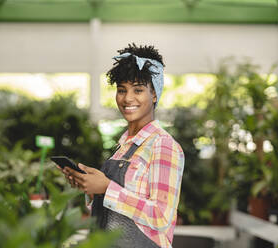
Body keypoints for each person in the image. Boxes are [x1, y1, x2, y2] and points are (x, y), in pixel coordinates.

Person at [60, 44, 185, 248]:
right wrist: (90, 188)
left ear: (154, 94)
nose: (127, 98)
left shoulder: (163, 145)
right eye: (121, 90)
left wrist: (107, 188)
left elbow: (161, 216)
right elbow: (113, 215)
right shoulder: (123, 147)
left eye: (138, 90)